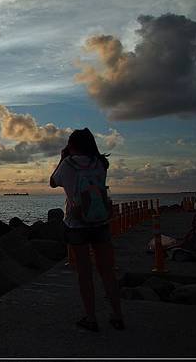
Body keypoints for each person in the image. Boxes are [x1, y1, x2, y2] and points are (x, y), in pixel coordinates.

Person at [50, 128, 124, 332]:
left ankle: (91, 318)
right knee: (107, 271)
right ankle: (117, 315)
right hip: (100, 221)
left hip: (77, 224)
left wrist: (62, 158)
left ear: (72, 145)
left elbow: (52, 182)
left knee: (85, 274)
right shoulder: (101, 163)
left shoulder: (67, 164)